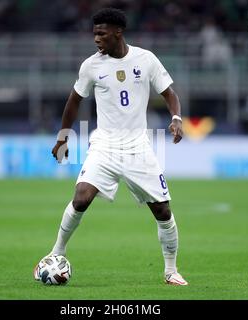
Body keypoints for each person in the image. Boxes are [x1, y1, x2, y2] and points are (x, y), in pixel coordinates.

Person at [36, 8, 188, 286]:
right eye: (94, 33)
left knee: (163, 211)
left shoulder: (146, 59)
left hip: (137, 148)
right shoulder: (91, 66)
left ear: (118, 32)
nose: (96, 38)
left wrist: (176, 118)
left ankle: (171, 271)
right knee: (81, 197)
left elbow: (170, 94)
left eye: (101, 33)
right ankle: (56, 252)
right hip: (104, 145)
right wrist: (62, 136)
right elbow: (73, 101)